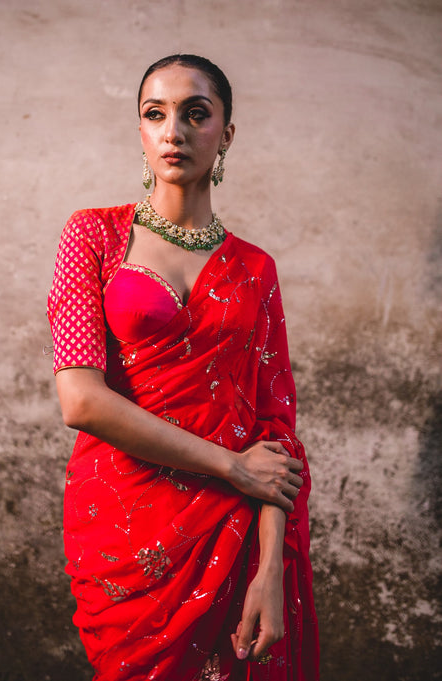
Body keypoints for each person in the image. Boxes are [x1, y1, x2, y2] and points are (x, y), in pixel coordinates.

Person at [47, 54, 319, 681]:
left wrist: (270, 569)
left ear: (225, 134)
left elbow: (277, 434)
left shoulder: (255, 269)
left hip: (235, 523)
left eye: (197, 113)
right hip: (123, 518)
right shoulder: (93, 237)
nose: (175, 130)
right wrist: (233, 467)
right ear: (140, 131)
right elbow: (81, 401)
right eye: (155, 113)